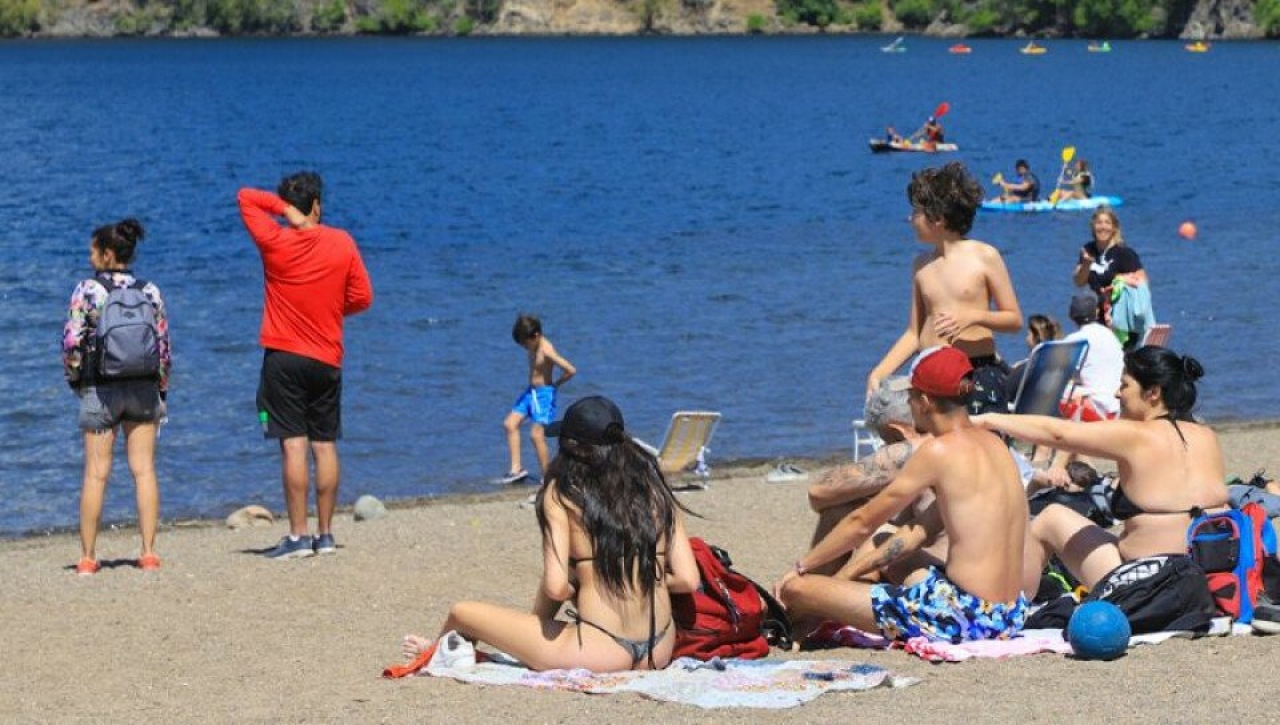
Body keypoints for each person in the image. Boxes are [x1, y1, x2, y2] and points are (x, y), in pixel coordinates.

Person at [399, 396, 699, 672]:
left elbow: (556, 588)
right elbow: (688, 579)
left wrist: (590, 581)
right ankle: (529, 635)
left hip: (599, 651)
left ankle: (437, 651)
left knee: (461, 612)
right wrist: (632, 575)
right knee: (575, 575)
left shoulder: (563, 494)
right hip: (658, 650)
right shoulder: (655, 490)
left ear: (571, 447)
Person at [778, 347, 1029, 644]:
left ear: (924, 402)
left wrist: (801, 569)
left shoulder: (938, 451)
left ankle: (793, 621)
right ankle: (825, 603)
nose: (908, 404)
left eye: (911, 397)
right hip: (1009, 614)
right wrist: (842, 579)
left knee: (797, 590)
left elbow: (861, 521)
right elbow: (917, 533)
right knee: (887, 542)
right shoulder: (995, 444)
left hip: (964, 617)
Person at [973, 346, 1228, 597]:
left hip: (1152, 585)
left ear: (1153, 393)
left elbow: (1059, 433)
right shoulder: (1207, 436)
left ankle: (1009, 607)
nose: (1117, 394)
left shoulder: (1136, 435)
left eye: (1125, 385)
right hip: (1211, 577)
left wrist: (987, 420)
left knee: (1050, 518)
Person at [238, 172, 374, 560]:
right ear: (318, 205)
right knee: (325, 444)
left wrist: (284, 213)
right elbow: (363, 297)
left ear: (288, 207)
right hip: (326, 356)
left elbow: (245, 196)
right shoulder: (342, 241)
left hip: (283, 355)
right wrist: (330, 306)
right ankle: (326, 534)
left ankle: (298, 536)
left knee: (293, 445)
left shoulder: (274, 240)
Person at [866, 161, 1023, 416]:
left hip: (975, 372)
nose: (910, 219)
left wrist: (973, 316)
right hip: (930, 376)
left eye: (916, 212)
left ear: (937, 218)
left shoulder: (985, 256)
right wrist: (879, 372)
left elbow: (1014, 320)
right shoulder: (921, 265)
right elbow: (913, 334)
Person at [63, 219, 171, 575]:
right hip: (143, 389)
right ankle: (149, 552)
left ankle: (89, 558)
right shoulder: (150, 290)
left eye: (94, 250)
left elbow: (71, 344)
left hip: (101, 390)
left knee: (96, 474)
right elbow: (163, 348)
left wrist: (77, 382)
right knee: (144, 471)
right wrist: (162, 392)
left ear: (107, 254)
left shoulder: (88, 290)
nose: (90, 256)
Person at [501, 314, 577, 484]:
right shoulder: (533, 346)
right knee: (510, 424)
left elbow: (571, 370)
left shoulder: (546, 350)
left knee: (536, 435)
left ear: (535, 336)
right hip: (531, 393)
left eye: (524, 343)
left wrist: (556, 385)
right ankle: (516, 469)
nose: (524, 347)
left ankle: (548, 476)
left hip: (544, 396)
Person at [1071, 206, 1151, 349]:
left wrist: (1120, 281)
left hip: (1121, 320)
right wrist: (1086, 264)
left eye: (1107, 223)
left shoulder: (1124, 253)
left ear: (1114, 227)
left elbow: (1143, 283)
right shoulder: (1088, 250)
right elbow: (1079, 281)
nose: (1103, 227)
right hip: (1095, 318)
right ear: (1093, 226)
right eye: (1099, 223)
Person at [1060, 290, 1125, 421]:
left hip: (1097, 406)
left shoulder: (1074, 340)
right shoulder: (1110, 335)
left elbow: (1060, 374)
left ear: (1071, 316)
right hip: (1117, 404)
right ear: (1096, 312)